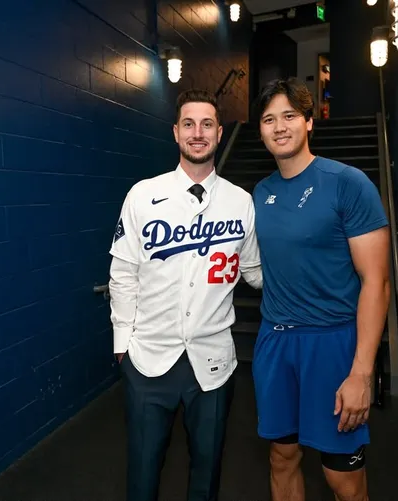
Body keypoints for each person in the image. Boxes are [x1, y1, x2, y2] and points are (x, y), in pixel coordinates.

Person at [107, 88, 263, 501]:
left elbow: (253, 271)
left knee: (207, 474)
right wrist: (123, 345)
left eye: (207, 124)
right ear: (176, 132)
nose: (198, 133)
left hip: (213, 361)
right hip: (148, 358)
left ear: (219, 132)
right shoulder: (142, 195)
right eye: (189, 124)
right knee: (142, 474)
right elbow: (123, 273)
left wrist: (309, 270)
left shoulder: (241, 202)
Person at [250, 77, 391, 501]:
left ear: (309, 121)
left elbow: (377, 282)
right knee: (281, 458)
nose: (279, 127)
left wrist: (361, 372)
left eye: (290, 116)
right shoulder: (260, 193)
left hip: (332, 345)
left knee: (342, 479)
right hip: (275, 343)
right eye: (269, 119)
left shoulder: (348, 183)